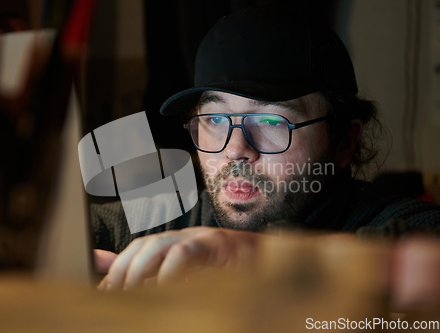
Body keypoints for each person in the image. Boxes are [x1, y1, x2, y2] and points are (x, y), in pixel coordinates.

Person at [92, 5, 440, 291]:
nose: (235, 150)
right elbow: (86, 230)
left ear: (345, 141)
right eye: (214, 119)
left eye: (272, 122)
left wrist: (250, 254)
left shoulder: (402, 224)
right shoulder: (175, 220)